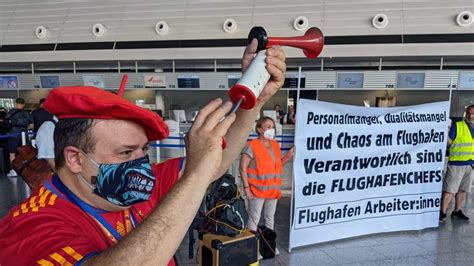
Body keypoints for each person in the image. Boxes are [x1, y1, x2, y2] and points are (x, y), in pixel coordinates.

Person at [0, 40, 286, 265]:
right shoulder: (30, 228)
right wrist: (197, 174)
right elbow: (200, 173)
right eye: (125, 153)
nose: (140, 165)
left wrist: (254, 98)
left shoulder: (137, 186)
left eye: (144, 150)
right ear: (75, 158)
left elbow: (215, 162)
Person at [239, 116, 294, 255]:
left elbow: (277, 167)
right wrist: (246, 189)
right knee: (254, 219)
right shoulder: (252, 145)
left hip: (272, 190)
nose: (272, 129)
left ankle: (269, 245)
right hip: (257, 190)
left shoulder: (275, 144)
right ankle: (252, 249)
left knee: (270, 218)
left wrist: (288, 156)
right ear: (259, 129)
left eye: (273, 127)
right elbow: (242, 168)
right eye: (268, 127)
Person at [440, 105, 474, 222]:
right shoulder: (458, 125)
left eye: (473, 113)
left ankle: (457, 211)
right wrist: (446, 131)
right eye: (469, 113)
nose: (471, 115)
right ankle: (442, 212)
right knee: (450, 189)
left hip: (470, 164)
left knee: (463, 190)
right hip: (456, 164)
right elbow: (450, 143)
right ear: (466, 113)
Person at [5, 98, 33, 177]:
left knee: (12, 153)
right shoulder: (28, 113)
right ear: (24, 104)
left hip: (13, 134)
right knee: (24, 153)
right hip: (24, 134)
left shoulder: (11, 112)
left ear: (16, 103)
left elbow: (6, 122)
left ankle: (14, 171)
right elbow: (31, 126)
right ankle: (25, 171)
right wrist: (24, 128)